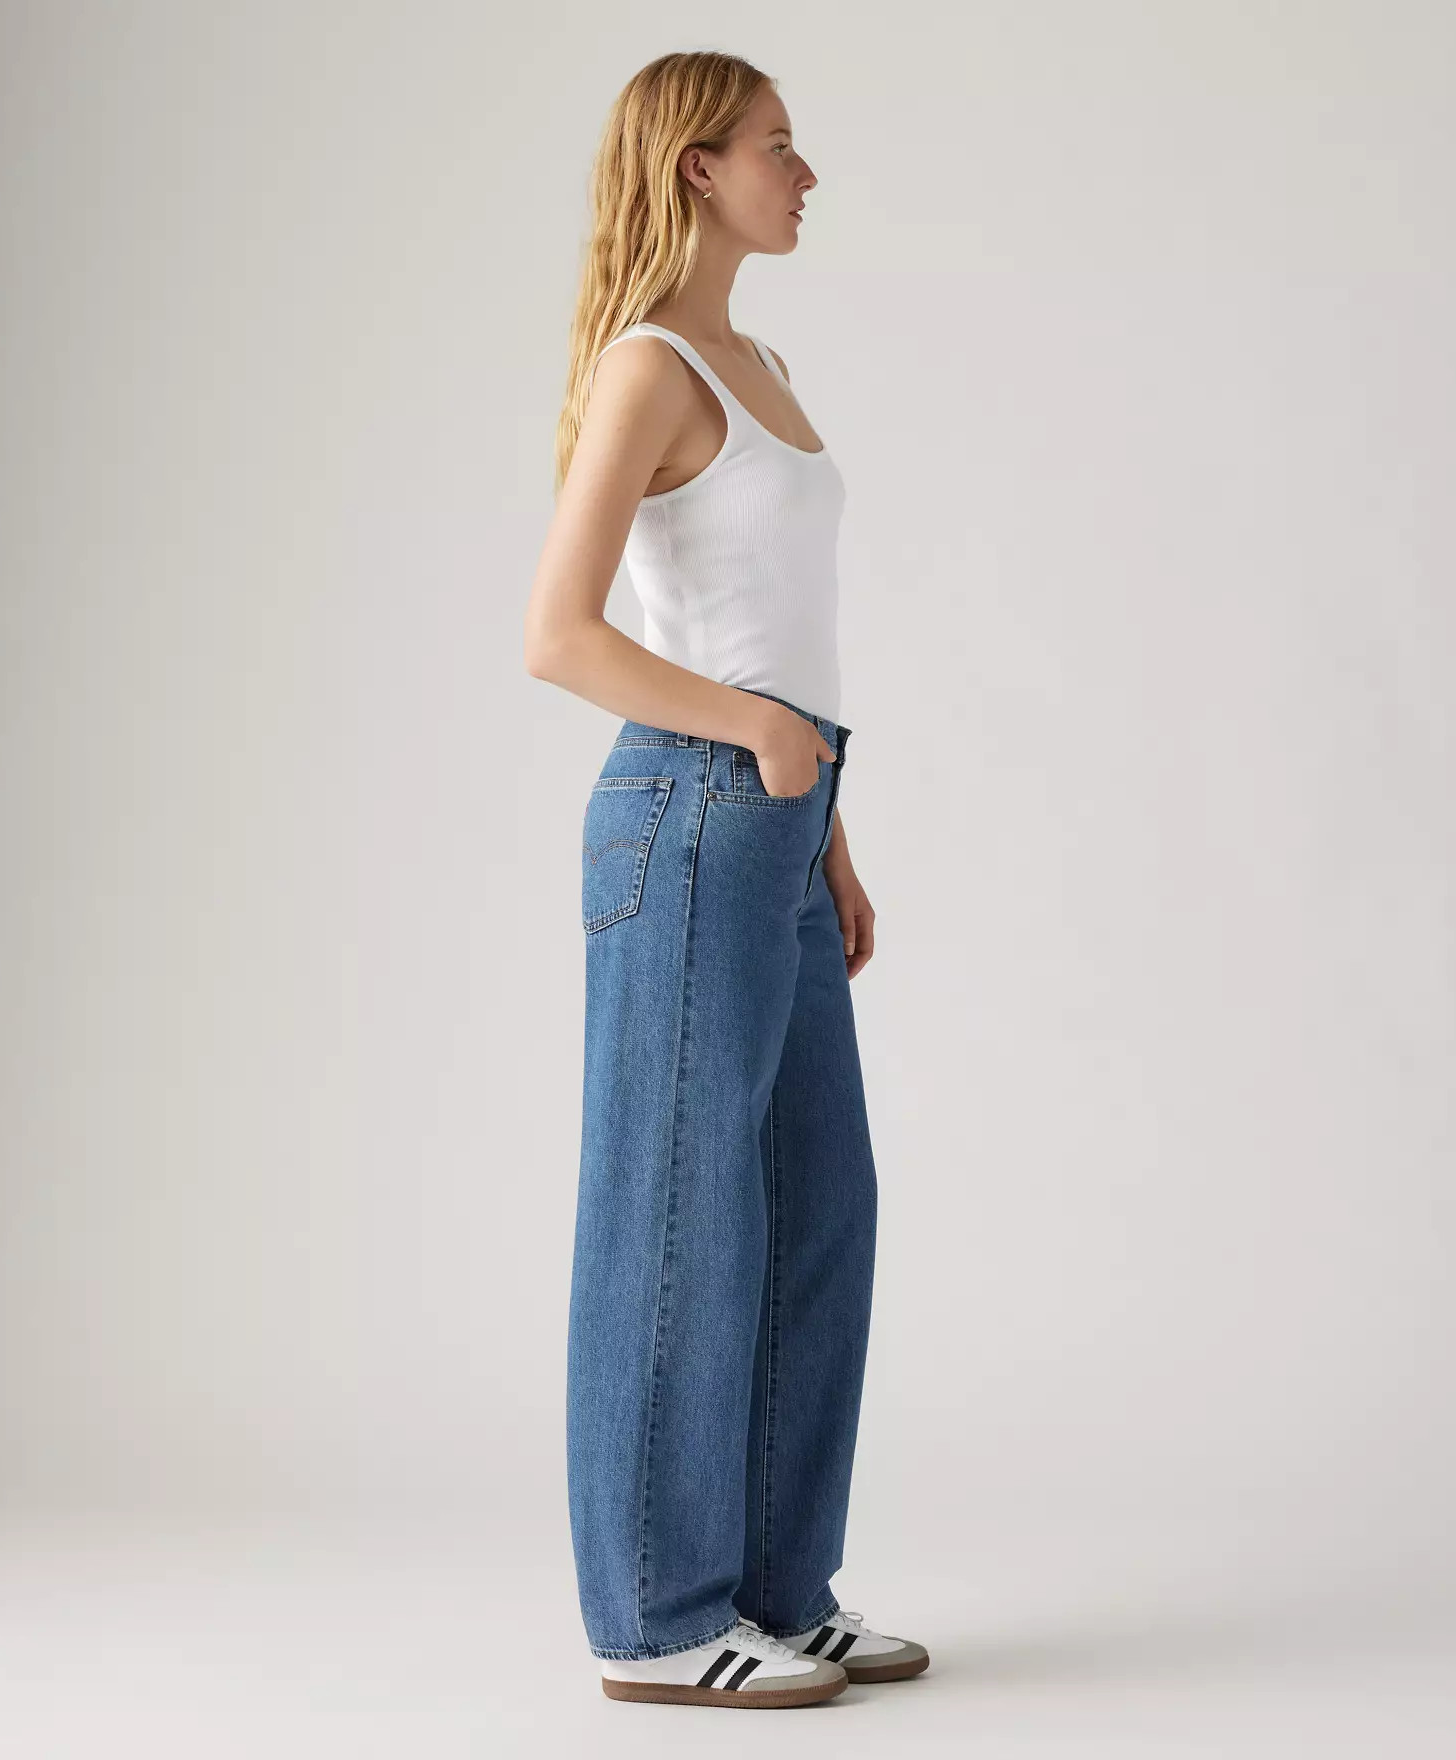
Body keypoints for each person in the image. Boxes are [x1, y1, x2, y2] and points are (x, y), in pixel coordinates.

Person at [523, 50, 929, 1709]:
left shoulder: (759, 362)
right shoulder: (653, 364)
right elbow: (559, 635)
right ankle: (656, 1618)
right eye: (778, 144)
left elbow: (770, 628)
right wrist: (759, 736)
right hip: (690, 810)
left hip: (778, 819)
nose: (805, 172)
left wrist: (828, 829)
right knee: (680, 1213)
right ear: (696, 166)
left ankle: (776, 1587)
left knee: (819, 1206)